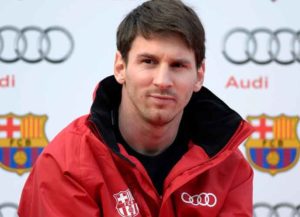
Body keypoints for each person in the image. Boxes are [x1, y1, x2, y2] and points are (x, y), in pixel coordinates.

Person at [18, 0, 254, 216]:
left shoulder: (228, 166)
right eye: (148, 62)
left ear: (199, 76)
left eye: (178, 65)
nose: (162, 80)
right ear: (120, 67)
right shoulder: (67, 162)